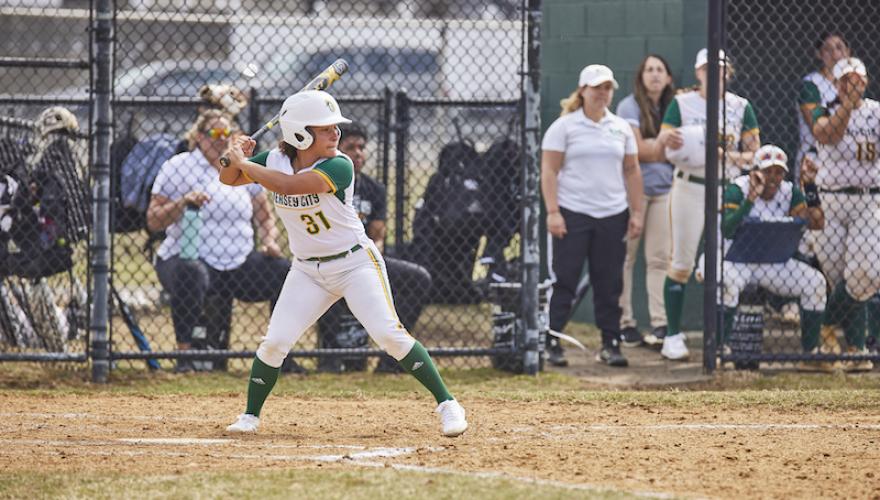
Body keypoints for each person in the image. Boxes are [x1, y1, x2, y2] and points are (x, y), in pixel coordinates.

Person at [220, 90, 467, 437]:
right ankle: (250, 415)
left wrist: (244, 164)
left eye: (335, 127)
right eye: (325, 128)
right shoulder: (273, 159)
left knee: (388, 335)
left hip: (354, 265)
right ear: (300, 133)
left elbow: (290, 187)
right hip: (307, 270)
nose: (336, 134)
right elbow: (228, 179)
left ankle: (448, 404)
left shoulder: (339, 165)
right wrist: (232, 157)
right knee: (275, 341)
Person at [146, 109, 290, 373]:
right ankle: (185, 358)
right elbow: (153, 220)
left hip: (238, 261)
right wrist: (183, 202)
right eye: (214, 133)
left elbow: (265, 217)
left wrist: (270, 241)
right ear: (199, 136)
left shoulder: (243, 167)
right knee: (191, 272)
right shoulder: (179, 166)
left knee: (283, 272)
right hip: (187, 256)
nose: (221, 138)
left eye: (226, 133)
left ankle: (280, 357)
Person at [660, 48, 761, 361]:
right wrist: (670, 141)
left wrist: (723, 157)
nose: (713, 73)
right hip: (690, 185)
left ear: (728, 72)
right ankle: (673, 335)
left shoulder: (740, 106)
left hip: (726, 188)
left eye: (719, 68)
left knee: (724, 266)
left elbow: (753, 155)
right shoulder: (682, 103)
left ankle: (720, 340)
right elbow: (664, 141)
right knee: (681, 263)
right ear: (698, 72)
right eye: (707, 68)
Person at [541, 65, 644, 368]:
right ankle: (552, 340)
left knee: (609, 282)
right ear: (582, 90)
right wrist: (553, 212)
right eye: (596, 87)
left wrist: (636, 212)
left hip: (613, 215)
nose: (602, 93)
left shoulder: (620, 127)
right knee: (565, 279)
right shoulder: (565, 127)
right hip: (572, 214)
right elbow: (549, 170)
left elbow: (632, 170)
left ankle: (611, 344)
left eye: (608, 87)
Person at [316, 123, 433, 374]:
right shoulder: (320, 182)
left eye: (361, 147)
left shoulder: (374, 189)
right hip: (329, 258)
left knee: (417, 278)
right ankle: (330, 359)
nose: (358, 153)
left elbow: (378, 235)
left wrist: (369, 257)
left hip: (363, 257)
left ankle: (390, 362)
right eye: (351, 147)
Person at [717, 145, 831, 371]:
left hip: (774, 264)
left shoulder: (789, 192)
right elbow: (728, 229)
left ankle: (810, 354)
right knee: (728, 283)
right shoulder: (737, 189)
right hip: (736, 261)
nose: (773, 178)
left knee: (815, 283)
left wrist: (809, 186)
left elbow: (817, 223)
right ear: (755, 171)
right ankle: (722, 350)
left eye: (778, 172)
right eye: (767, 171)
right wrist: (751, 197)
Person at [811, 57, 878, 371]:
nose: (853, 85)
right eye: (846, 80)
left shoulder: (876, 112)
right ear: (836, 85)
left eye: (858, 79)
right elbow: (827, 135)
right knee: (838, 277)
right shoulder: (824, 108)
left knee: (864, 274)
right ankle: (857, 350)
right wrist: (847, 108)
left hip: (868, 201)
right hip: (831, 203)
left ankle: (823, 326)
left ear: (865, 81)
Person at [615, 54, 676, 348]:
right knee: (626, 259)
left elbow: (682, 151)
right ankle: (624, 324)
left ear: (668, 78)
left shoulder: (674, 106)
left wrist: (657, 149)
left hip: (665, 191)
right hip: (632, 193)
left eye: (659, 70)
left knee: (659, 260)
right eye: (649, 70)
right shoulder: (628, 105)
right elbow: (638, 152)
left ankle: (660, 324)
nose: (654, 75)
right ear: (641, 77)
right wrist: (662, 147)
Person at [797, 32, 850, 178]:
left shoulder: (854, 83)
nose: (835, 54)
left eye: (840, 47)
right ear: (819, 54)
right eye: (828, 49)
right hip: (816, 159)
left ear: (848, 52)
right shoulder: (812, 84)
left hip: (848, 160)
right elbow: (820, 131)